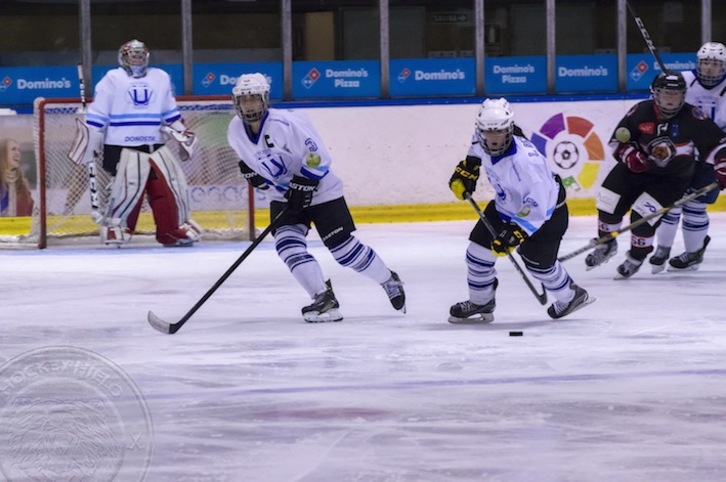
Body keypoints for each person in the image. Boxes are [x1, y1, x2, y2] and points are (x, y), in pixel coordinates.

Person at [226, 73, 406, 323]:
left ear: (265, 99)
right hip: (284, 195)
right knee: (288, 246)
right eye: (244, 100)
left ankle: (388, 279)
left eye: (254, 99)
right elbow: (256, 165)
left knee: (343, 251)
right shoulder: (235, 130)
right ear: (236, 102)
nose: (249, 105)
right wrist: (258, 178)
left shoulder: (284, 124)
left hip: (321, 190)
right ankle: (323, 297)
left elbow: (318, 156)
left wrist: (304, 183)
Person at [447, 98, 592, 323]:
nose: (493, 139)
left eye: (500, 132)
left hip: (547, 216)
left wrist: (516, 233)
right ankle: (481, 301)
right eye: (488, 132)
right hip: (505, 206)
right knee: (477, 255)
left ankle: (571, 296)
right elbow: (475, 152)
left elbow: (539, 207)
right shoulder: (480, 137)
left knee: (540, 268)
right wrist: (468, 169)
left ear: (509, 129)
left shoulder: (526, 164)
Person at [585, 71, 726, 279]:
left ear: (683, 95)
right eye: (665, 94)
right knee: (608, 202)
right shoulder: (640, 111)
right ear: (655, 94)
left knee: (643, 217)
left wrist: (722, 164)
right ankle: (606, 245)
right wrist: (629, 155)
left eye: (676, 94)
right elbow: (618, 140)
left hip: (671, 179)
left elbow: (717, 144)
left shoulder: (693, 117)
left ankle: (636, 257)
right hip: (635, 171)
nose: (670, 99)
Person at [70, 39, 201, 246]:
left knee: (171, 187)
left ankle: (171, 229)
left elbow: (169, 113)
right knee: (128, 189)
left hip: (155, 146)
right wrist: (91, 137)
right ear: (124, 58)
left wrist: (181, 131)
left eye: (140, 56)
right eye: (133, 56)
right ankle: (117, 227)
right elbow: (98, 114)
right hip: (122, 148)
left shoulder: (161, 78)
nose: (137, 60)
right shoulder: (112, 79)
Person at [650, 42, 726, 272]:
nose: (710, 68)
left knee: (695, 206)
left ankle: (693, 253)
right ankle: (662, 248)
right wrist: (664, 85)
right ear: (698, 63)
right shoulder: (682, 79)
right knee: (670, 204)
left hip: (715, 155)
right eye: (705, 63)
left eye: (715, 64)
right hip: (681, 154)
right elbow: (656, 96)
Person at [0, 138, 34, 217]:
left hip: (17, 227)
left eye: (18, 150)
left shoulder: (22, 184)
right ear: (3, 154)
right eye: (13, 149)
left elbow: (31, 209)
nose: (18, 153)